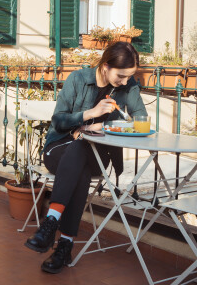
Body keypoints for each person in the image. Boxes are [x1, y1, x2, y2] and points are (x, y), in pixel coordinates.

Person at [24, 41, 147, 273]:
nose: (124, 81)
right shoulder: (78, 79)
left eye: (128, 77)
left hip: (97, 156)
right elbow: (58, 121)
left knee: (82, 147)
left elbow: (141, 119)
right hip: (58, 149)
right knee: (79, 153)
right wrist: (91, 114)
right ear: (105, 66)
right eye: (121, 76)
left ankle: (50, 223)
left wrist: (109, 125)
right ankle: (65, 245)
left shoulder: (128, 87)